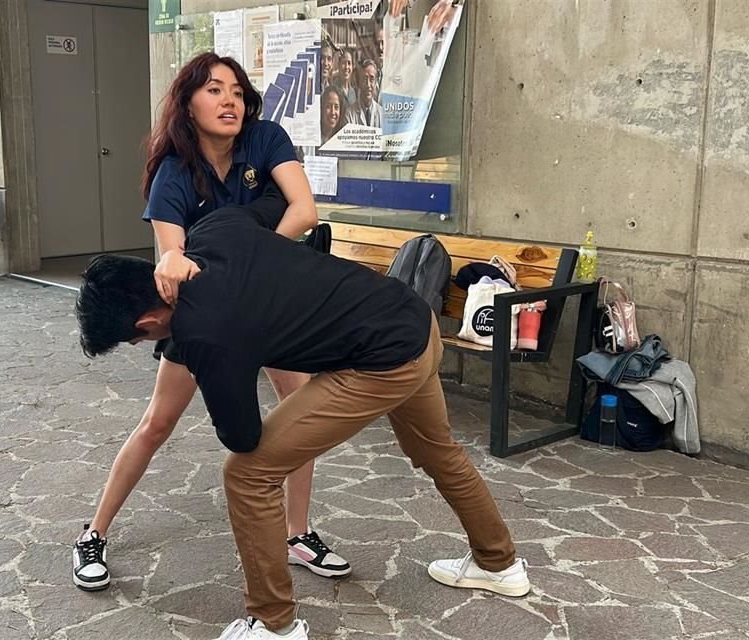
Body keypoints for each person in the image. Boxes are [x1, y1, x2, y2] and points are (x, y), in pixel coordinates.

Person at [76, 184, 531, 640]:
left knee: (247, 474)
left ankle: (274, 625)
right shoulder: (214, 227)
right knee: (438, 450)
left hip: (383, 361)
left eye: (140, 341)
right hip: (413, 320)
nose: (151, 345)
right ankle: (499, 564)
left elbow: (242, 437)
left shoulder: (202, 334)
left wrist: (226, 359)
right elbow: (280, 203)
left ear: (147, 323)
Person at [71, 52, 352, 593]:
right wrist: (180, 257)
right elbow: (172, 258)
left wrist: (247, 262)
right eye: (214, 90)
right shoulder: (174, 172)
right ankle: (94, 533)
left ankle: (298, 533)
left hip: (268, 306)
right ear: (188, 103)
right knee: (157, 423)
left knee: (299, 420)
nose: (229, 101)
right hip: (200, 318)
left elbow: (305, 211)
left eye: (237, 91)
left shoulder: (265, 139)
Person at [343, 60, 383, 128]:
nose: (368, 85)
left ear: (376, 82)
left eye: (372, 79)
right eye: (364, 79)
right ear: (359, 83)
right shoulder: (349, 114)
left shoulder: (382, 114)